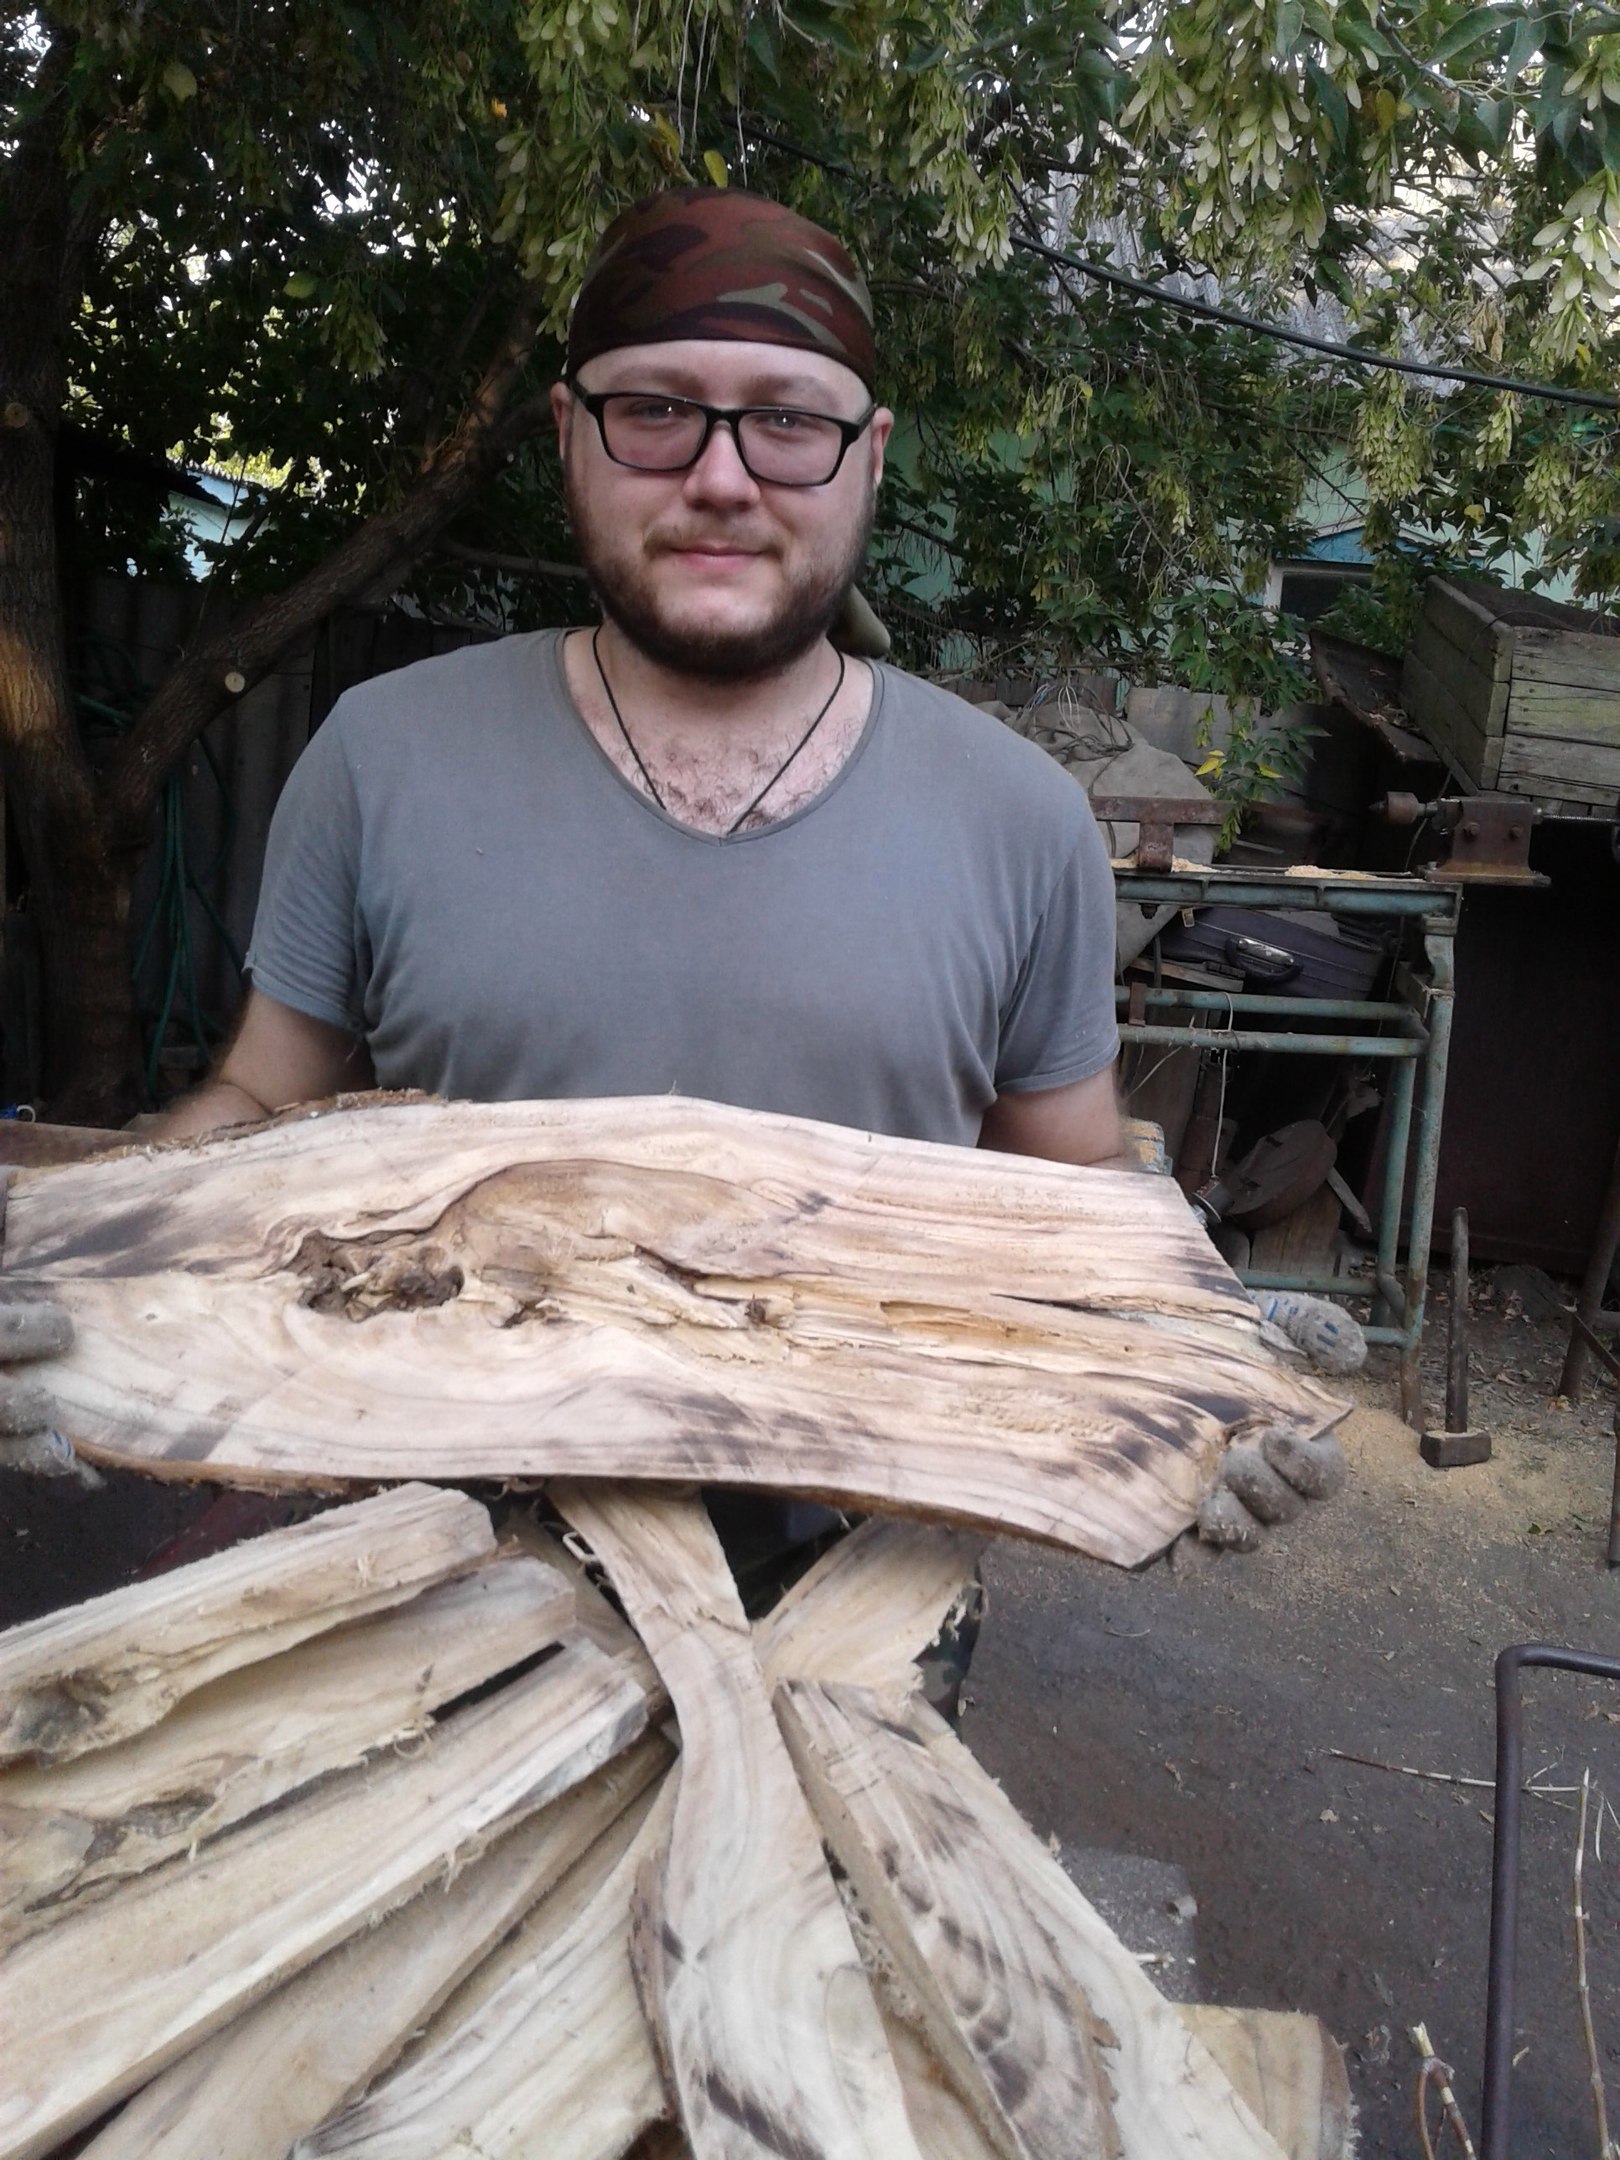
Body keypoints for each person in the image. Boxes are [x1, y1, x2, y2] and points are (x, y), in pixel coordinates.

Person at [1, 188, 1345, 1559]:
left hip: (861, 1598)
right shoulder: (382, 756)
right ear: (568, 435)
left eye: (789, 422)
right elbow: (258, 1104)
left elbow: (1068, 1208)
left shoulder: (1022, 822)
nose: (720, 477)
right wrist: (73, 1265)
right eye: (654, 411)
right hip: (407, 1574)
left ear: (871, 457)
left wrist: (1200, 1371)